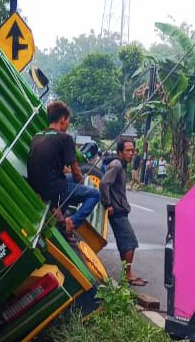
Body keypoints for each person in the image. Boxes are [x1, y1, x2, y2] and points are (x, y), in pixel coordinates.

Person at [27, 101, 100, 234]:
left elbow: (53, 166)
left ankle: (59, 212)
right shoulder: (65, 138)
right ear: (62, 119)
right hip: (54, 189)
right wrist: (82, 184)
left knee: (69, 178)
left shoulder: (37, 136)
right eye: (68, 121)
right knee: (94, 194)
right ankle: (71, 222)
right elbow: (77, 172)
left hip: (36, 187)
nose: (68, 124)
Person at [100, 140, 145, 286]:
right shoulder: (117, 165)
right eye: (128, 150)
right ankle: (128, 275)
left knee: (124, 244)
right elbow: (104, 183)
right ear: (120, 152)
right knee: (131, 242)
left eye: (132, 150)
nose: (131, 153)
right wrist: (109, 204)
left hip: (120, 209)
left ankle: (127, 274)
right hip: (117, 210)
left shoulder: (121, 165)